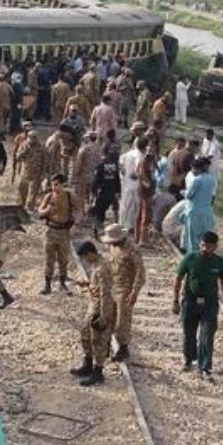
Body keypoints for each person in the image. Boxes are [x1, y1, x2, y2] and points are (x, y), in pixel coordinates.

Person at [173, 231, 223, 379]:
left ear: (215, 247)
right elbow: (178, 279)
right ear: (200, 244)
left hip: (210, 304)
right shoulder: (190, 258)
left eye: (210, 246)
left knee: (207, 335)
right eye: (204, 245)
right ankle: (188, 359)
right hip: (190, 302)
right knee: (189, 333)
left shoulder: (219, 262)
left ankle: (205, 366)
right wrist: (175, 301)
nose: (206, 248)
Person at [99, 225, 146, 362]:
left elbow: (140, 273)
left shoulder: (133, 250)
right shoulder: (113, 247)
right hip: (112, 285)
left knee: (122, 320)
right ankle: (106, 344)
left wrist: (135, 292)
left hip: (125, 289)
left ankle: (123, 347)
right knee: (107, 316)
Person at [72, 241, 115, 386]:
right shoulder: (96, 265)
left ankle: (98, 372)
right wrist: (87, 284)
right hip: (93, 305)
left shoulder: (102, 268)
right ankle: (88, 365)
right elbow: (97, 287)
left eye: (85, 257)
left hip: (100, 307)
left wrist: (104, 316)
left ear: (90, 253)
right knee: (85, 335)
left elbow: (106, 294)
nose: (85, 261)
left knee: (98, 340)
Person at [38, 174, 78, 295]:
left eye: (56, 184)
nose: (54, 187)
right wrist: (47, 210)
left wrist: (75, 224)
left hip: (64, 231)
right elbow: (40, 212)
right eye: (52, 184)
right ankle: (47, 285)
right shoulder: (49, 196)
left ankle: (62, 283)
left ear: (62, 185)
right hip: (50, 230)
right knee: (49, 259)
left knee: (63, 259)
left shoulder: (69, 196)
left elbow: (79, 210)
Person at [182, 156, 218, 253]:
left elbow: (189, 195)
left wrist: (183, 192)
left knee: (193, 239)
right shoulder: (211, 179)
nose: (192, 171)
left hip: (195, 212)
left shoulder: (197, 180)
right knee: (205, 238)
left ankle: (192, 257)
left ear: (198, 168)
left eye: (193, 168)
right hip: (207, 211)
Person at [119, 136, 147, 234]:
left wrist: (124, 173)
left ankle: (122, 224)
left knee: (125, 205)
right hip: (134, 185)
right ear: (145, 147)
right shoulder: (140, 156)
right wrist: (145, 181)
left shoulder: (129, 153)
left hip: (126, 183)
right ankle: (129, 227)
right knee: (134, 207)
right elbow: (137, 171)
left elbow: (120, 163)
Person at [15, 130, 49, 211]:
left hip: (36, 175)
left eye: (34, 139)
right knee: (21, 190)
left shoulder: (41, 147)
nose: (32, 141)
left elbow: (45, 161)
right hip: (24, 173)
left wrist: (43, 174)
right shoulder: (24, 145)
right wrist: (23, 152)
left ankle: (29, 210)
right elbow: (17, 157)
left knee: (31, 196)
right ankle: (22, 207)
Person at [199, 128, 222, 195]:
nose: (207, 137)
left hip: (213, 164)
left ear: (212, 135)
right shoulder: (205, 140)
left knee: (212, 179)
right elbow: (202, 150)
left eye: (208, 135)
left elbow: (211, 155)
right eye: (206, 135)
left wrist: (203, 159)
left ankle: (212, 194)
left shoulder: (215, 143)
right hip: (205, 162)